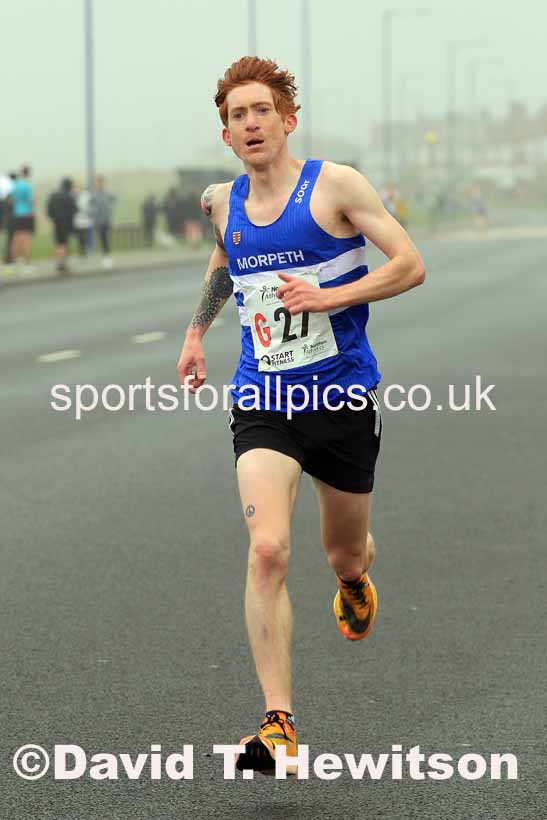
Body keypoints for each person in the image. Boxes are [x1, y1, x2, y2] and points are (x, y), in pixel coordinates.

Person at [176, 57, 425, 776]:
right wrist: (196, 333)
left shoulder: (335, 186)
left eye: (261, 111)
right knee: (267, 550)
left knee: (343, 553)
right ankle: (277, 723)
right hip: (265, 401)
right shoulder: (221, 202)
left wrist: (331, 298)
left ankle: (351, 582)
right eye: (235, 117)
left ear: (286, 120)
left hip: (342, 398)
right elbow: (228, 263)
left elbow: (408, 264)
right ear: (225, 136)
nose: (249, 124)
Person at [47, 178, 77, 275]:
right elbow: (75, 210)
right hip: (67, 224)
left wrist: (54, 218)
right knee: (64, 243)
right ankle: (62, 264)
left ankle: (59, 262)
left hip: (56, 223)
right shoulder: (69, 196)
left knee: (58, 243)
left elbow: (49, 211)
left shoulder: (53, 196)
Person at [10, 165, 35, 272]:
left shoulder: (15, 185)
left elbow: (11, 200)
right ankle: (27, 264)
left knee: (15, 239)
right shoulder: (27, 186)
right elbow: (31, 200)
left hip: (16, 214)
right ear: (28, 174)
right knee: (26, 239)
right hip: (26, 214)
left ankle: (14, 263)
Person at [92, 175, 116, 268]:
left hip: (106, 219)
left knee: (105, 238)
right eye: (97, 183)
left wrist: (111, 209)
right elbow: (91, 205)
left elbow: (114, 200)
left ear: (103, 183)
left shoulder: (108, 193)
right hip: (98, 220)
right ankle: (105, 256)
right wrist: (93, 212)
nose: (99, 184)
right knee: (102, 239)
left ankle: (107, 258)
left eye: (100, 183)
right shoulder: (94, 194)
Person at [74, 184, 93, 256]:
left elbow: (90, 205)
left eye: (77, 189)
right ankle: (82, 251)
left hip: (86, 221)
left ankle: (88, 251)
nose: (76, 190)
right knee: (80, 238)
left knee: (86, 237)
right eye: (75, 189)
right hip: (77, 222)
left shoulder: (85, 196)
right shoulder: (73, 197)